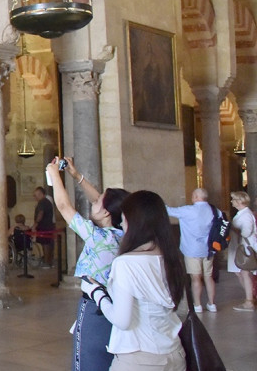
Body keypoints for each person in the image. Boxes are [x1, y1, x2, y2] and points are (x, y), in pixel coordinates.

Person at [81, 191, 187, 370]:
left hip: (140, 357)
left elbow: (122, 320)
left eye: (123, 219)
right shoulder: (171, 257)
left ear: (135, 222)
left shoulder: (127, 263)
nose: (121, 224)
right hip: (174, 352)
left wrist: (97, 293)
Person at [47, 158, 126, 371]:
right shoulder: (124, 234)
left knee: (87, 362)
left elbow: (64, 207)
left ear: (107, 212)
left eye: (99, 201)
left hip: (95, 307)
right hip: (117, 304)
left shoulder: (99, 237)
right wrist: (76, 175)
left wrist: (54, 174)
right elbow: (101, 202)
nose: (94, 201)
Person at [166, 187, 217, 312]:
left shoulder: (188, 210)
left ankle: (198, 305)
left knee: (195, 277)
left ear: (195, 197)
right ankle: (212, 303)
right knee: (208, 277)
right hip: (209, 249)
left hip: (192, 250)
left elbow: (168, 211)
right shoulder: (214, 210)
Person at [227, 191, 257, 311]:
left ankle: (249, 300)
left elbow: (246, 232)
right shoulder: (242, 213)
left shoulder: (246, 215)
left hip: (245, 247)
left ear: (239, 201)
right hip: (240, 246)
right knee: (240, 273)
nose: (231, 201)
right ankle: (250, 298)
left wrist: (232, 228)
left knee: (245, 273)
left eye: (233, 199)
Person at [33, 186, 56, 267]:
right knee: (47, 244)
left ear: (40, 194)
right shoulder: (47, 202)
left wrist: (35, 224)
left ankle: (47, 262)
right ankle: (49, 261)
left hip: (44, 226)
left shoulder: (42, 202)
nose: (35, 197)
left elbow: (40, 213)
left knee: (45, 244)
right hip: (48, 226)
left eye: (36, 195)